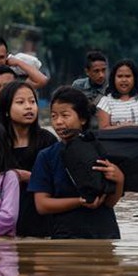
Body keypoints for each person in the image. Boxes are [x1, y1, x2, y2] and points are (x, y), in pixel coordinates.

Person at [29, 86, 125, 239]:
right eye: (54, 116)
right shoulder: (46, 156)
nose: (58, 122)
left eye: (65, 115)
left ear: (82, 118)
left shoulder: (101, 149)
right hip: (65, 237)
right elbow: (42, 205)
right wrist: (79, 202)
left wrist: (119, 179)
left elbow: (109, 203)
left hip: (104, 234)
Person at [0, 81, 58, 237]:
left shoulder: (47, 140)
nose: (29, 107)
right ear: (6, 110)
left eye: (32, 101)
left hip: (40, 223)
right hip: (3, 223)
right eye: (20, 102)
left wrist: (29, 177)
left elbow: (58, 183)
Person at [96, 59, 138, 132]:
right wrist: (123, 127)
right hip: (115, 142)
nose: (124, 80)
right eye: (120, 76)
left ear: (134, 78)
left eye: (128, 76)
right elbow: (103, 129)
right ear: (113, 79)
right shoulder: (106, 101)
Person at [72, 51, 108, 131]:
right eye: (96, 71)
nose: (101, 75)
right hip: (82, 131)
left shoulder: (110, 88)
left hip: (103, 132)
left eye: (103, 70)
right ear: (87, 72)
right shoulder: (78, 86)